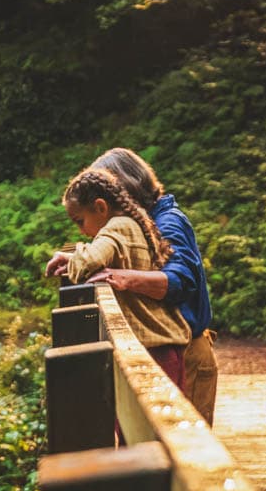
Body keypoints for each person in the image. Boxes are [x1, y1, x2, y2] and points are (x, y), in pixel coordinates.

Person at [87, 147, 218, 424]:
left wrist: (124, 279)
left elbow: (180, 281)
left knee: (187, 452)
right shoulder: (147, 224)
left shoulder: (166, 223)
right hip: (178, 350)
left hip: (189, 351)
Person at [45, 166, 190, 390]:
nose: (81, 232)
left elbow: (86, 264)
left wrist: (77, 254)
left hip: (154, 351)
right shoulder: (132, 222)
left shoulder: (117, 227)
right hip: (163, 348)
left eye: (80, 221)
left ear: (100, 207)